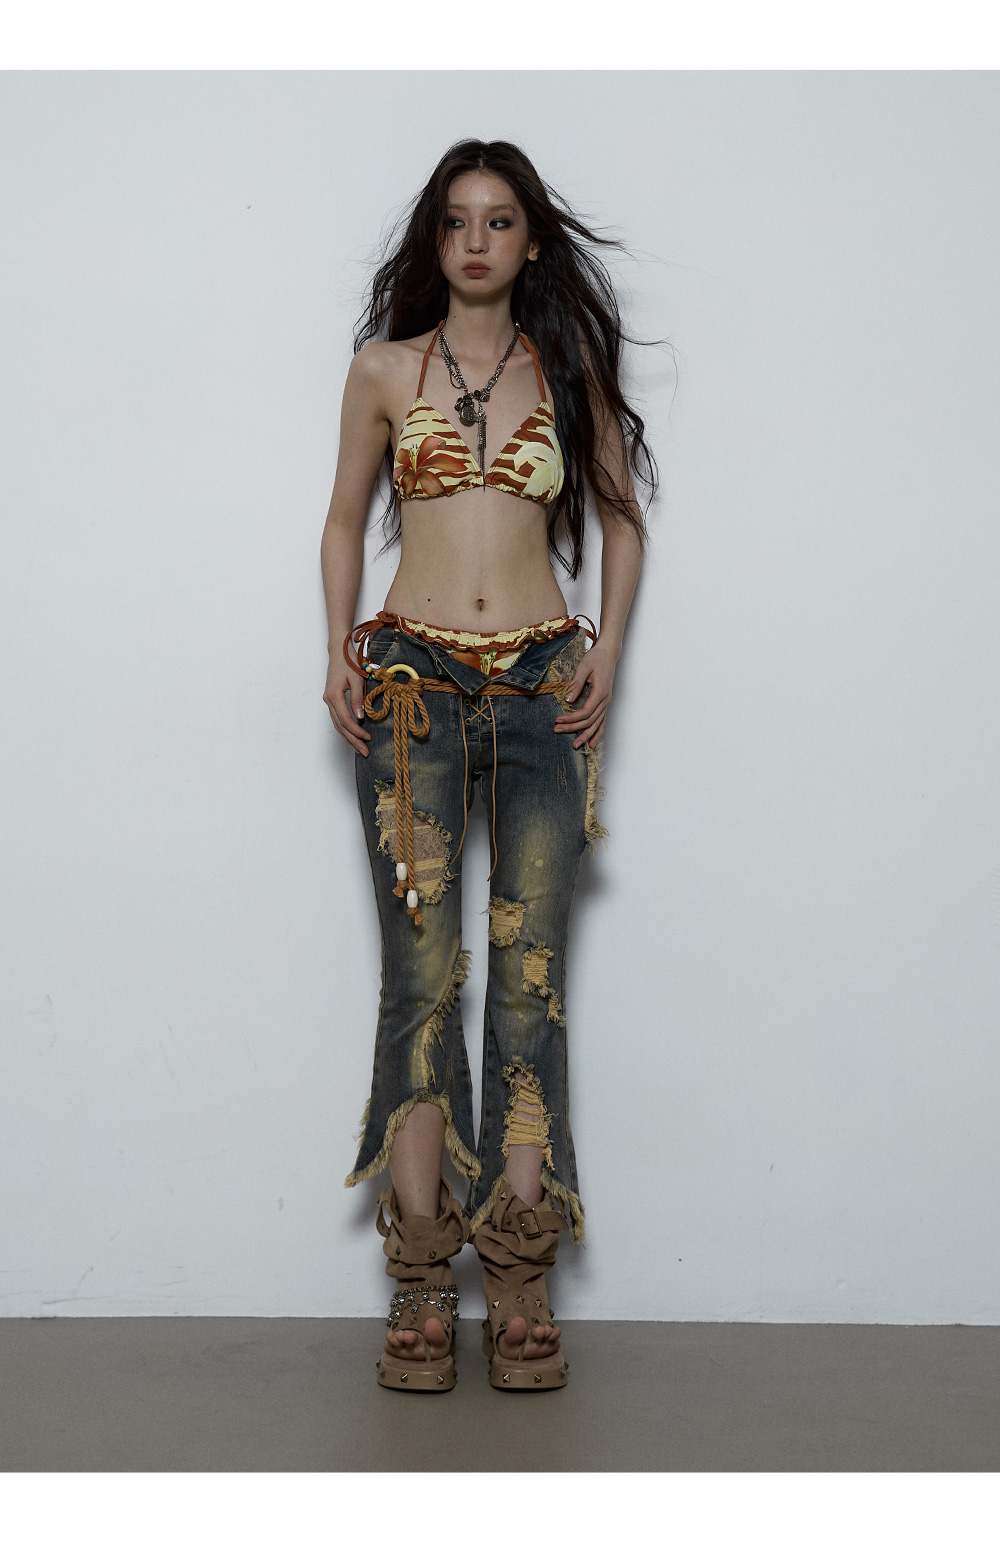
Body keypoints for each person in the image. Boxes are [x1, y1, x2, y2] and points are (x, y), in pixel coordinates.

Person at [321, 139, 656, 1392]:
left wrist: (606, 650)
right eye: (456, 221)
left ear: (530, 240)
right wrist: (338, 648)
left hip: (539, 690)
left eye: (499, 220)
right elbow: (342, 518)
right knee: (420, 979)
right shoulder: (381, 369)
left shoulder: (566, 369)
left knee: (527, 980)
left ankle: (517, 1270)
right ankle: (420, 1274)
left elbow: (619, 516)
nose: (476, 241)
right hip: (410, 684)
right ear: (434, 240)